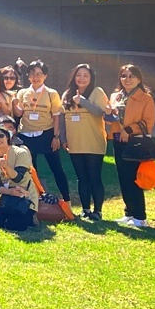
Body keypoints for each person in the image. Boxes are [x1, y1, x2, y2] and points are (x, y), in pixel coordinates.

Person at [107, 64, 155, 228]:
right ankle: (129, 213)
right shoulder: (115, 97)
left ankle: (140, 217)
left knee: (134, 178)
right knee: (123, 178)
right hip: (117, 140)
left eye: (131, 76)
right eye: (124, 76)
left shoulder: (146, 98)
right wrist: (108, 113)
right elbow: (111, 119)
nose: (127, 79)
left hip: (135, 142)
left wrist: (128, 130)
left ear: (139, 79)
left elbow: (148, 122)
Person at [14, 60, 70, 202]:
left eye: (39, 74)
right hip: (25, 135)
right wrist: (14, 104)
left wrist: (56, 137)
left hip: (46, 134)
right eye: (32, 73)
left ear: (45, 76)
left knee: (56, 168)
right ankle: (35, 199)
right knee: (31, 170)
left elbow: (56, 116)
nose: (36, 77)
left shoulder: (52, 93)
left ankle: (67, 200)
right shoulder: (22, 92)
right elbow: (19, 113)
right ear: (28, 76)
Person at [61, 63, 110, 220]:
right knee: (81, 178)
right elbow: (62, 117)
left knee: (94, 177)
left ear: (91, 78)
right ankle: (85, 209)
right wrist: (63, 138)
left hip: (93, 143)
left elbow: (99, 112)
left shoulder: (97, 92)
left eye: (85, 76)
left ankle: (98, 211)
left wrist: (82, 100)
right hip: (75, 143)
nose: (81, 79)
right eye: (78, 75)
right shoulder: (67, 94)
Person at [0, 122, 38, 230]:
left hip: (23, 195)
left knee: (14, 226)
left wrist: (6, 166)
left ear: (7, 137)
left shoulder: (21, 152)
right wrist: (9, 192)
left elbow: (18, 178)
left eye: (1, 135)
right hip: (5, 195)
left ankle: (31, 215)